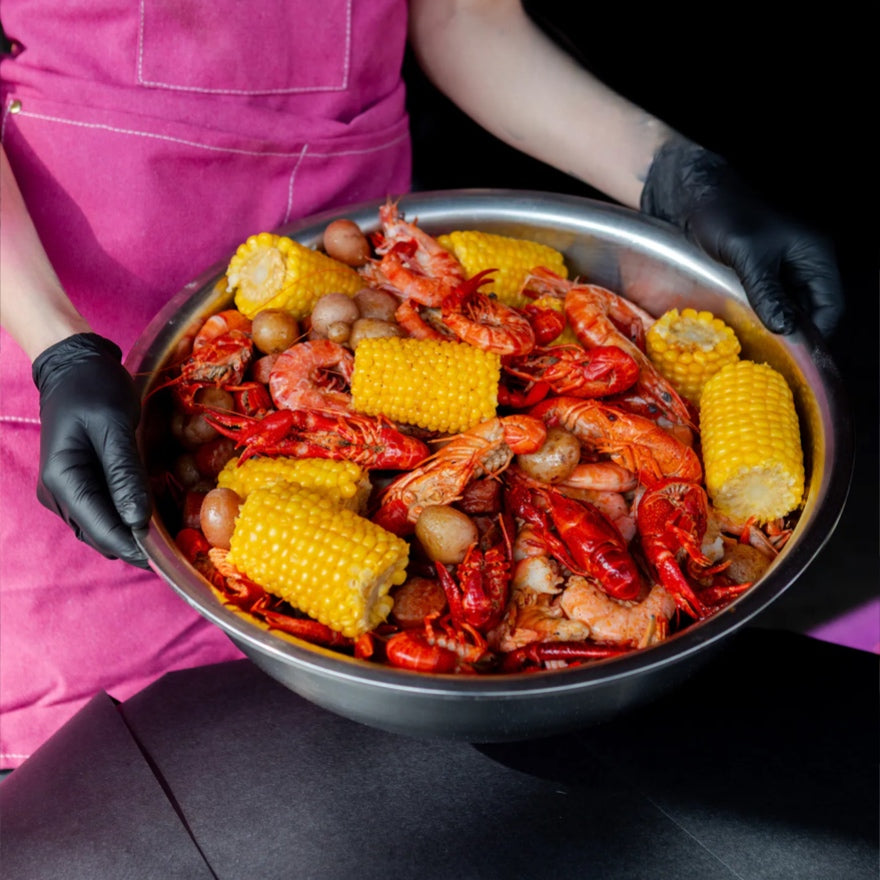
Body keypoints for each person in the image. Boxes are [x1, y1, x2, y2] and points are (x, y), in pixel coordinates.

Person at [0, 0, 843, 769]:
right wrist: (56, 347)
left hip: (367, 252)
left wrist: (667, 170)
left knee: (391, 795)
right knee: (128, 783)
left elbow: (469, 22)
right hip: (70, 321)